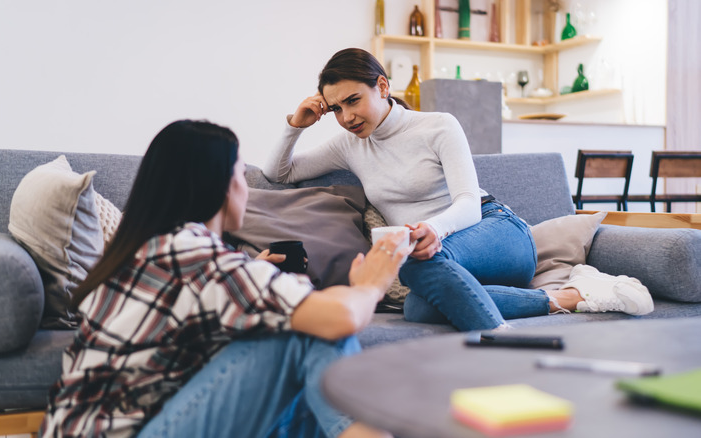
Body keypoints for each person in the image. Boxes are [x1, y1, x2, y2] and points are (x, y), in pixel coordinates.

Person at [38, 120, 409, 438]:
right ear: (221, 186)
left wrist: (252, 278)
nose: (246, 188)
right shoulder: (194, 255)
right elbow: (341, 318)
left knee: (309, 386)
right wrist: (372, 284)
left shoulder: (150, 249)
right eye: (240, 176)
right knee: (308, 334)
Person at [264, 47, 653, 332]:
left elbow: (468, 202)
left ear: (381, 86)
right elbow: (279, 173)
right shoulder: (349, 145)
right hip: (434, 260)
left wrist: (434, 230)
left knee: (413, 262)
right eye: (335, 109)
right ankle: (570, 297)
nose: (346, 117)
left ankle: (501, 342)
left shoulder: (438, 126)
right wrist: (294, 125)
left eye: (353, 100)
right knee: (418, 308)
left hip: (496, 232)